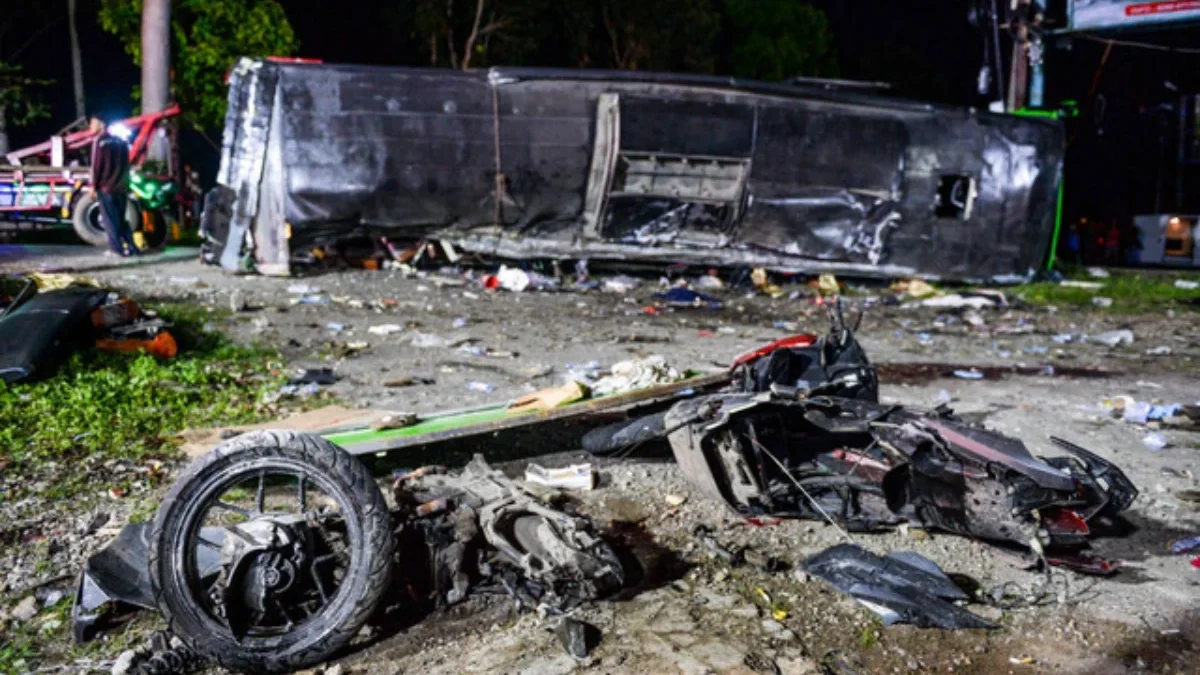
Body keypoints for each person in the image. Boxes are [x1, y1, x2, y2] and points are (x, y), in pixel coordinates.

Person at [88, 118, 138, 256]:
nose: (90, 126)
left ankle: (116, 250)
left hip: (106, 188)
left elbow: (96, 166)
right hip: (121, 187)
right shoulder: (121, 142)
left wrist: (93, 185)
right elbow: (127, 164)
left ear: (102, 125)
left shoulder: (99, 142)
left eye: (93, 123)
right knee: (121, 219)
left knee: (110, 220)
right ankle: (132, 248)